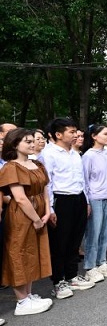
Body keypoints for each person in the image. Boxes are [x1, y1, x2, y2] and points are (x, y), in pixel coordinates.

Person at [0, 128, 54, 315]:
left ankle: (28, 295)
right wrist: (36, 219)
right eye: (27, 142)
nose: (33, 144)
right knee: (19, 252)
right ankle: (21, 301)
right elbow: (20, 198)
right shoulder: (11, 167)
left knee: (32, 252)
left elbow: (45, 189)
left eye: (33, 141)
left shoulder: (37, 164)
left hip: (39, 212)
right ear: (15, 144)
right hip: (22, 216)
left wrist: (47, 211)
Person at [40, 118, 95, 297]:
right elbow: (47, 184)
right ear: (58, 134)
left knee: (75, 239)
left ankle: (72, 275)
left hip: (78, 197)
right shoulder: (48, 154)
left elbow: (81, 180)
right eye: (71, 132)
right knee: (60, 242)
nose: (75, 135)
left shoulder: (75, 154)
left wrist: (85, 201)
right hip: (61, 200)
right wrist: (51, 209)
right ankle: (58, 281)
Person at [81, 124, 107, 282]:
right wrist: (87, 201)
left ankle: (102, 261)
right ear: (94, 136)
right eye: (104, 134)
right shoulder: (88, 156)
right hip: (95, 197)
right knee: (94, 232)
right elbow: (84, 180)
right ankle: (90, 266)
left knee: (105, 232)